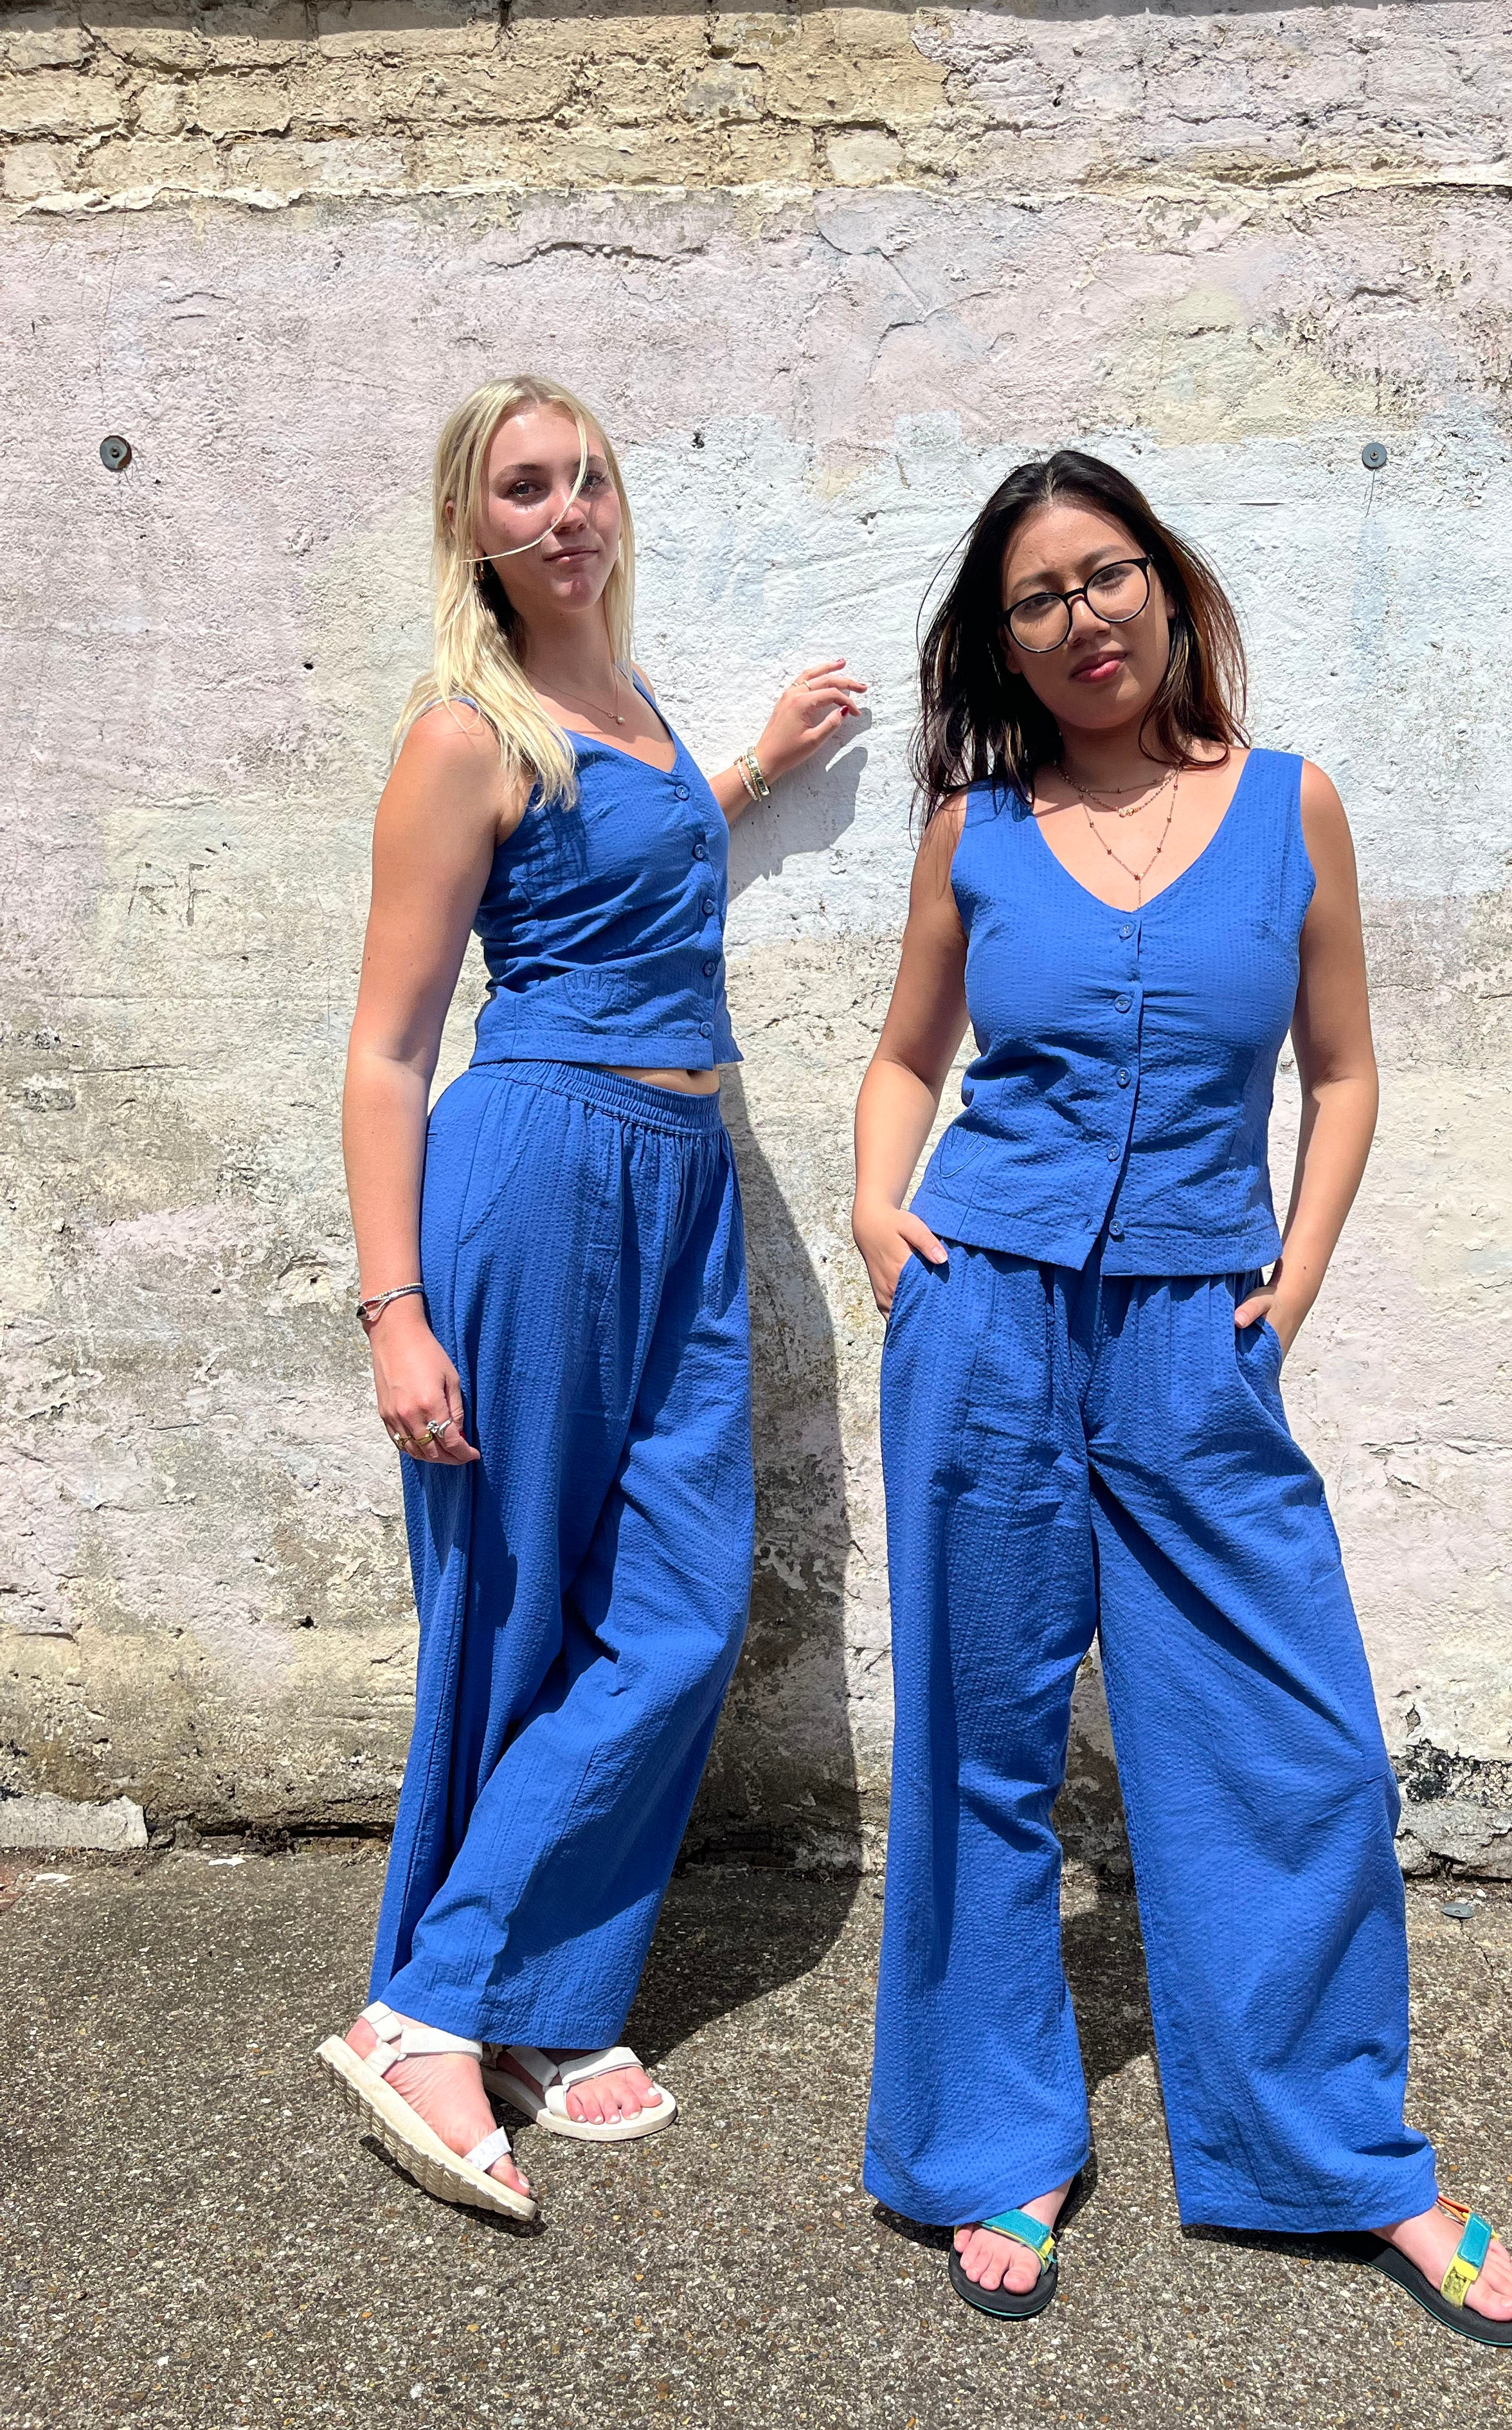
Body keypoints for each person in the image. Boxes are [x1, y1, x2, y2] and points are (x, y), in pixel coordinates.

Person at [849, 450, 1512, 2344]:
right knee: (982, 1742)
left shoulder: (1291, 804)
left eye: (1106, 575)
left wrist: (1289, 1286)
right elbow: (907, 1055)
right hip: (985, 1316)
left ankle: (1339, 2153)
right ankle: (992, 2137)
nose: (1083, 618)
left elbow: (1346, 1068)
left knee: (1294, 1746)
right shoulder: (976, 827)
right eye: (1037, 599)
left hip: (1193, 1330)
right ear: (1003, 645)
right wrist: (884, 1222)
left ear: (1166, 583)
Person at [316, 374, 863, 2222]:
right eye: (524, 488)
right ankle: (445, 2010)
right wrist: (394, 1309)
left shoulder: (629, 711)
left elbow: (634, 872)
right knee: (517, 1603)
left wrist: (750, 771)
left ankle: (508, 1991)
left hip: (684, 1188)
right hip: (540, 1172)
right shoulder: (460, 734)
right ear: (473, 528)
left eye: (589, 479)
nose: (567, 511)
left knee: (679, 1603)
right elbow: (388, 1046)